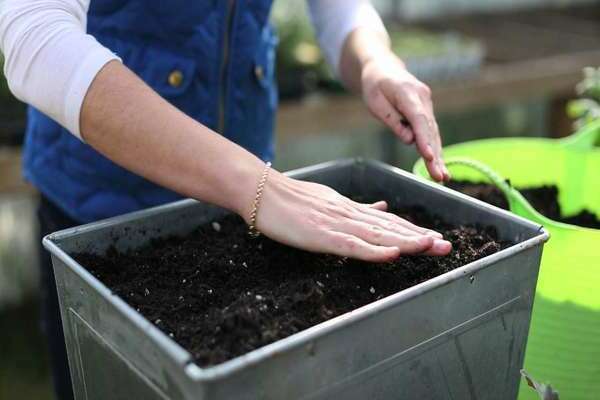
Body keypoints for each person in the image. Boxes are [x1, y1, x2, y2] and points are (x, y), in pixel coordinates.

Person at [0, 0, 451, 398]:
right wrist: (259, 185)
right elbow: (35, 35)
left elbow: (338, 8)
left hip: (243, 217)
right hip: (100, 210)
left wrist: (375, 60)